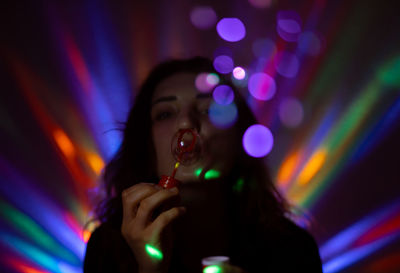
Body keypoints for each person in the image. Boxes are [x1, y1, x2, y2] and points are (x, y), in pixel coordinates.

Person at [83, 56, 323, 273]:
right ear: (147, 142)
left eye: (209, 109)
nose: (186, 123)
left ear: (238, 137)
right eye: (165, 113)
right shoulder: (108, 248)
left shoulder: (291, 248)